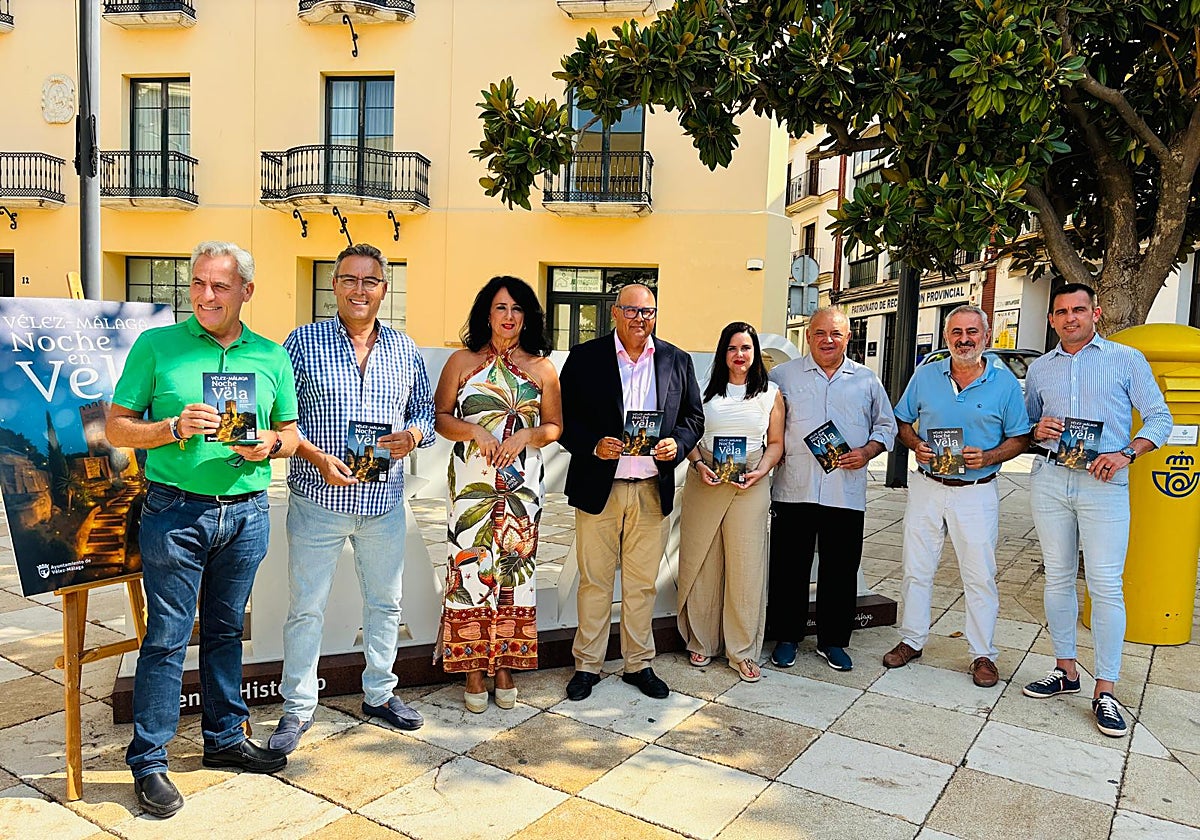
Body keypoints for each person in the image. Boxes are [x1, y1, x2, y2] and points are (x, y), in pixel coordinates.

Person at [107, 241, 299, 819]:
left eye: (219, 286)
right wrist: (169, 426)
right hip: (175, 511)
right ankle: (149, 762)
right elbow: (116, 428)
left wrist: (270, 442)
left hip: (245, 512)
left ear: (246, 291)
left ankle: (224, 740)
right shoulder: (156, 346)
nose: (206, 296)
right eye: (197, 284)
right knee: (166, 637)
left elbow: (288, 433)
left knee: (223, 632)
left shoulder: (270, 355)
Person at [268, 243, 434, 754]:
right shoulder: (300, 343)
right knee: (306, 608)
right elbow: (280, 416)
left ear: (384, 289)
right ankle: (297, 709)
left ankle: (380, 695)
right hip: (318, 499)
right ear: (334, 286)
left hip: (383, 503)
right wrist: (319, 458)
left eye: (371, 281)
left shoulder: (405, 349)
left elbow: (425, 412)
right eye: (349, 280)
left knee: (385, 603)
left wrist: (413, 436)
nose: (360, 289)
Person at [1021, 283, 1171, 737]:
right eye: (1062, 312)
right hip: (1050, 478)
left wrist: (1125, 452)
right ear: (1052, 320)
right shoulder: (1040, 368)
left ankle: (1105, 689)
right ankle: (1066, 670)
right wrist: (1036, 427)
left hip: (1105, 482)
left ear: (1096, 313)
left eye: (1079, 310)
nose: (1070, 318)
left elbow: (1161, 418)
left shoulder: (1125, 360)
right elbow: (1025, 426)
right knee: (1059, 576)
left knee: (1105, 585)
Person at [559, 283, 704, 701]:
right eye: (632, 311)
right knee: (595, 582)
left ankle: (638, 663)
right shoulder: (586, 358)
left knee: (642, 585)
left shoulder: (677, 360)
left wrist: (677, 443)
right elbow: (563, 419)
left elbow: (694, 418)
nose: (641, 319)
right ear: (615, 314)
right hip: (598, 488)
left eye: (648, 312)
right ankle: (587, 665)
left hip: (650, 489)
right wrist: (592, 444)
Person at [884, 305, 1030, 687]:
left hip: (977, 492)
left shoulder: (1004, 383)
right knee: (917, 568)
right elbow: (901, 420)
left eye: (972, 332)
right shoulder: (927, 374)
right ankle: (912, 640)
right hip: (928, 487)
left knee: (980, 575)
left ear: (986, 336)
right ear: (946, 337)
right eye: (956, 333)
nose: (964, 339)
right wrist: (915, 443)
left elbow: (1020, 437)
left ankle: (983, 654)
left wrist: (991, 455)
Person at [434, 276, 561, 712]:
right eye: (501, 308)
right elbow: (441, 419)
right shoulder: (461, 362)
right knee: (469, 570)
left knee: (514, 568)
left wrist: (526, 435)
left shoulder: (541, 368)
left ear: (528, 318)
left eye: (517, 309)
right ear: (486, 313)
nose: (509, 317)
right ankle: (472, 666)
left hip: (522, 483)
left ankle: (505, 665)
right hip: (473, 482)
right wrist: (474, 430)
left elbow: (554, 427)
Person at [766, 307, 896, 672]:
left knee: (841, 569)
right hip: (795, 489)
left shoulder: (867, 380)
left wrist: (867, 451)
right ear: (807, 336)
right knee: (788, 569)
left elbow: (886, 427)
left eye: (835, 334)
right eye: (820, 333)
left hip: (845, 491)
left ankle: (834, 641)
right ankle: (787, 638)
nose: (827, 340)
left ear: (848, 337)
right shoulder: (782, 377)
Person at [677, 322, 784, 681]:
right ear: (724, 353)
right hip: (707, 477)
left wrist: (762, 471)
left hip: (749, 482)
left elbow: (776, 444)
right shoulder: (703, 394)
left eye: (747, 348)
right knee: (703, 560)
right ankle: (702, 640)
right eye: (733, 348)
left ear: (756, 354)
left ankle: (742, 650)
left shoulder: (771, 394)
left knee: (745, 565)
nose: (740, 355)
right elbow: (687, 433)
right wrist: (697, 463)